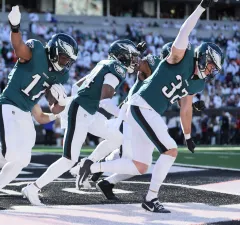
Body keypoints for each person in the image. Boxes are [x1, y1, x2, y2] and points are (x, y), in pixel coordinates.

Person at [77, 0, 223, 213]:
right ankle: (151, 199)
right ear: (203, 58)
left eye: (214, 69)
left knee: (140, 165)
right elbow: (184, 31)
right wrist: (201, 7)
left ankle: (93, 166)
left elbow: (186, 107)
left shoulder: (198, 82)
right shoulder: (180, 56)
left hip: (149, 111)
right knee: (170, 151)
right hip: (142, 105)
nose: (211, 71)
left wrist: (188, 135)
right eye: (211, 65)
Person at [0, 6, 78, 210]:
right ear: (56, 51)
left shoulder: (60, 76)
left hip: (24, 114)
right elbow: (19, 47)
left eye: (69, 60)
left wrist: (62, 105)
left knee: (23, 159)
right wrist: (15, 27)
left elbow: (51, 108)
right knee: (10, 154)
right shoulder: (37, 51)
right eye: (65, 58)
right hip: (8, 106)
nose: (66, 64)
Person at [22, 39, 141, 206]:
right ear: (123, 56)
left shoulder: (105, 63)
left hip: (87, 111)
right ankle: (33, 188)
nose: (135, 61)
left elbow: (76, 87)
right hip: (82, 111)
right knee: (69, 159)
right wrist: (125, 114)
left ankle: (86, 164)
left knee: (117, 138)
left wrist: (79, 103)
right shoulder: (117, 68)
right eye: (133, 57)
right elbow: (105, 100)